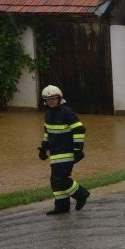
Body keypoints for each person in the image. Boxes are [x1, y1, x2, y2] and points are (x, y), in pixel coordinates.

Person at [37, 85, 90, 215]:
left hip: (67, 152)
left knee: (59, 179)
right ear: (45, 101)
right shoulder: (47, 114)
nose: (51, 101)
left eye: (53, 99)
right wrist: (43, 148)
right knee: (55, 181)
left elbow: (79, 129)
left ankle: (81, 194)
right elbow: (48, 133)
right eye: (48, 99)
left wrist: (78, 149)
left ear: (59, 98)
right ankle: (62, 207)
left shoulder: (66, 112)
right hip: (55, 154)